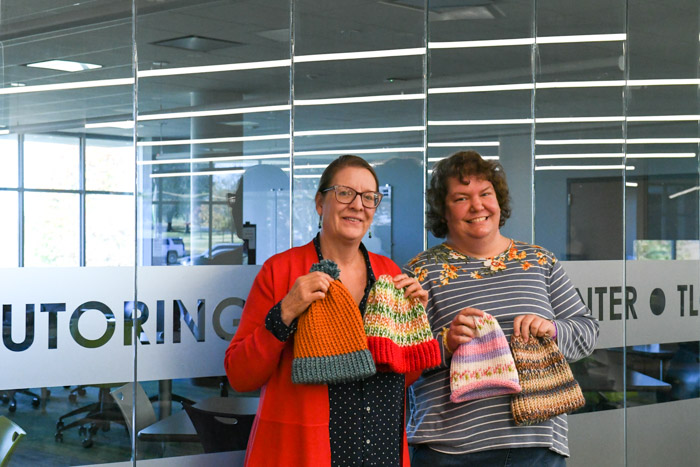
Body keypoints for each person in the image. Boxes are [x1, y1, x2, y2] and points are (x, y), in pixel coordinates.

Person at [225, 155, 429, 466]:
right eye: (345, 193)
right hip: (305, 452)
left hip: (382, 449)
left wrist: (413, 325)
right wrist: (285, 312)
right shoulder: (281, 271)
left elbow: (401, 375)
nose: (358, 205)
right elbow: (240, 375)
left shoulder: (389, 273)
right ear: (320, 203)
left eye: (369, 198)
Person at [405, 151, 599, 466]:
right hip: (448, 448)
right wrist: (446, 344)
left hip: (536, 444)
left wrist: (551, 329)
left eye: (485, 194)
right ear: (443, 210)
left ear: (498, 201)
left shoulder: (539, 261)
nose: (477, 205)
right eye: (461, 198)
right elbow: (400, 359)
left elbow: (587, 332)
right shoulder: (421, 272)